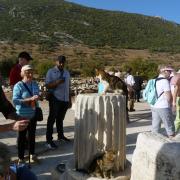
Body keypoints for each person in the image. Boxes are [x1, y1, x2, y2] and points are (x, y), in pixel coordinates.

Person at [13, 65, 40, 164]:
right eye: (28, 72)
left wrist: (37, 97)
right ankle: (20, 158)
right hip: (22, 116)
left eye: (31, 72)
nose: (30, 74)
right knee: (21, 138)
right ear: (23, 73)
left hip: (32, 115)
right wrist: (29, 99)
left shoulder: (35, 84)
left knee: (32, 136)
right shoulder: (18, 85)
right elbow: (15, 101)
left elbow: (37, 94)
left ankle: (32, 155)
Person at [45, 55, 71, 149]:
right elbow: (47, 85)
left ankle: (61, 136)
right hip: (55, 98)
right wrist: (57, 82)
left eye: (63, 62)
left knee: (60, 119)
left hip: (64, 99)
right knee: (51, 119)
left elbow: (69, 87)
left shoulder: (67, 73)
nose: (61, 64)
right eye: (59, 62)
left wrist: (69, 100)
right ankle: (49, 140)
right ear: (56, 62)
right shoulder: (51, 72)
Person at [151, 65, 175, 138]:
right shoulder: (164, 81)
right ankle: (172, 145)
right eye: (169, 71)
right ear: (165, 71)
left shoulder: (154, 80)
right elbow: (168, 96)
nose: (170, 73)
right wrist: (172, 105)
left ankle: (153, 142)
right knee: (169, 126)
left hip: (154, 105)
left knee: (155, 126)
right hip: (163, 106)